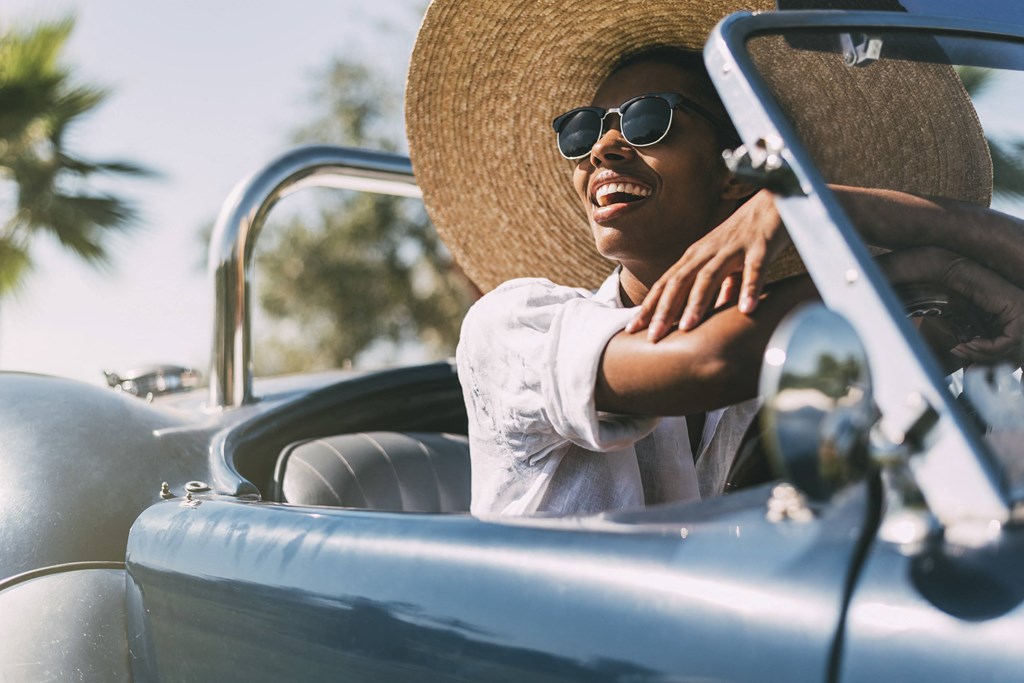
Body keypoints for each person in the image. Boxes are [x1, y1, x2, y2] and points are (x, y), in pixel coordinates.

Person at [405, 0, 1024, 516]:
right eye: (583, 129)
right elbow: (708, 361)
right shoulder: (511, 325)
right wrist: (914, 271)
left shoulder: (809, 339)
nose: (604, 148)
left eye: (649, 120)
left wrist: (826, 205)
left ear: (734, 176)